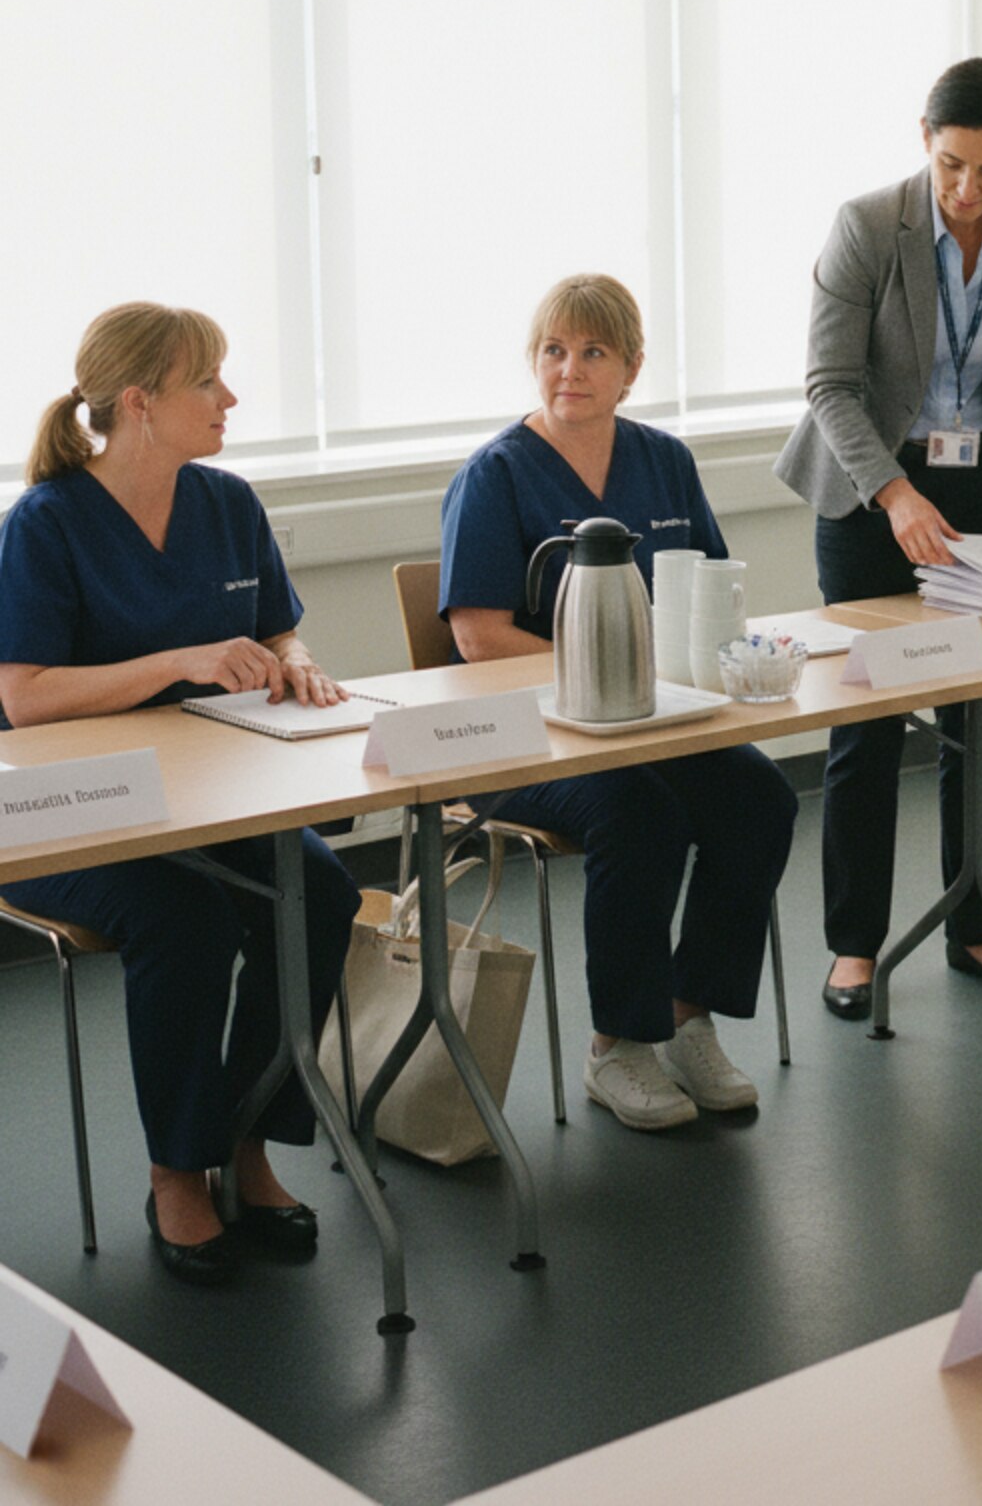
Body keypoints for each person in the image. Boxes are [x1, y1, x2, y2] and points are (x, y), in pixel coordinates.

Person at [0, 304, 361, 1285]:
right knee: (188, 919)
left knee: (323, 893)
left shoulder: (228, 502)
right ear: (140, 402)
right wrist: (182, 658)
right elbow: (25, 698)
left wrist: (300, 662)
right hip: (72, 811)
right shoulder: (45, 523)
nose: (231, 397)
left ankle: (247, 1138)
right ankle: (176, 1169)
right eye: (210, 380)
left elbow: (278, 627)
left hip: (211, 788)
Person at [441, 274, 796, 1131]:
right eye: (554, 350)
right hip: (530, 740)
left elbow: (709, 585)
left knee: (760, 798)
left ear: (631, 369)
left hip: (655, 723)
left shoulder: (663, 460)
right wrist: (607, 678)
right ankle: (619, 1046)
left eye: (594, 352)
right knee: (640, 815)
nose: (571, 369)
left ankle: (686, 1018)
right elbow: (479, 637)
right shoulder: (496, 475)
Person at [775, 58, 982, 1021]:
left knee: (978, 717)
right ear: (924, 139)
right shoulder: (869, 225)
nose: (966, 191)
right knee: (865, 722)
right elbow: (828, 384)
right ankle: (854, 948)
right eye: (953, 165)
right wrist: (895, 494)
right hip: (871, 484)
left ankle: (978, 924)